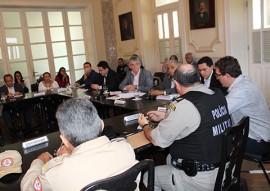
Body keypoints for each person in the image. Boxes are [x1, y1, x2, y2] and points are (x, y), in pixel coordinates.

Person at [138, 64, 231, 190]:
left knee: (149, 176)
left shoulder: (184, 105)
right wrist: (167, 116)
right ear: (198, 77)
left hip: (202, 178)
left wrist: (145, 125)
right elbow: (203, 118)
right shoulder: (217, 94)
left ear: (176, 83)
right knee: (169, 158)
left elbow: (156, 140)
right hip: (225, 167)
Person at [20, 98, 138, 191]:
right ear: (102, 124)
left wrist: (38, 162)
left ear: (64, 141)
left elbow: (26, 188)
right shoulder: (125, 147)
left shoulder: (57, 174)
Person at [215, 56, 270, 155]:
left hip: (258, 142)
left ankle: (224, 169)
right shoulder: (245, 81)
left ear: (227, 75)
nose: (217, 78)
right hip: (261, 136)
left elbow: (220, 111)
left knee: (216, 140)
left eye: (218, 75)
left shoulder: (241, 90)